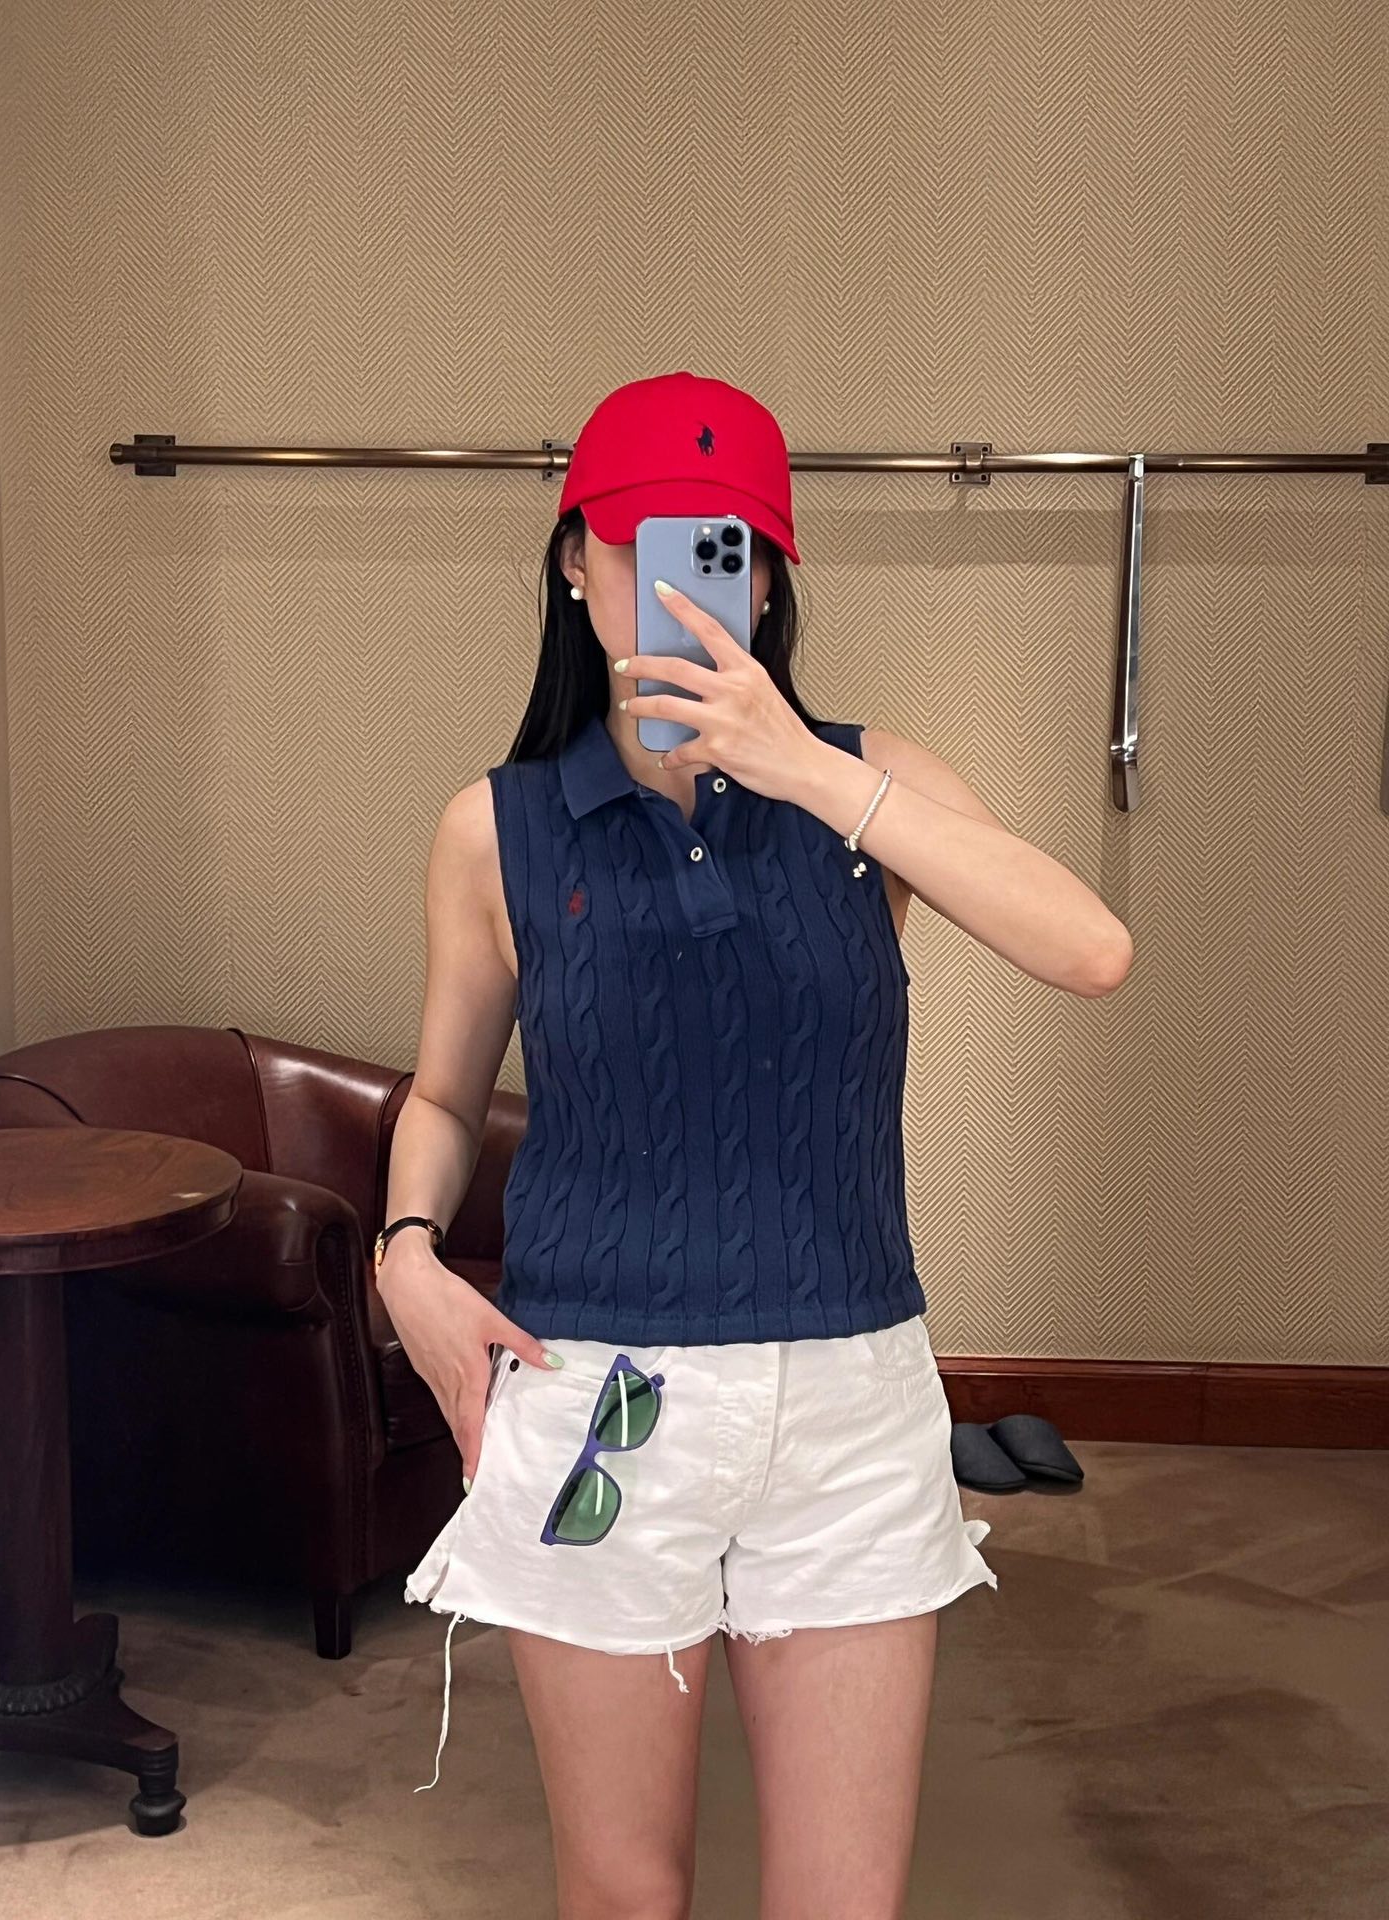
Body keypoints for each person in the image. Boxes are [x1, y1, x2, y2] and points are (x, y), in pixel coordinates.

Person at [379, 369, 1133, 1919]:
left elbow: (1090, 950)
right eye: (638, 544)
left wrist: (809, 771)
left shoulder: (873, 788)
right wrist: (404, 1257)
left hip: (852, 1399)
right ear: (575, 564)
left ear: (771, 580)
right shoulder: (494, 830)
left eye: (719, 549)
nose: (676, 584)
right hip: (597, 1395)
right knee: (624, 1892)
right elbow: (446, 1098)